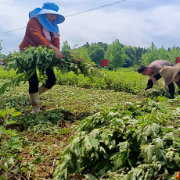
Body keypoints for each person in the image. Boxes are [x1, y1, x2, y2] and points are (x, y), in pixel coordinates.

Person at [19, 2, 65, 114]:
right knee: (33, 80)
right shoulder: (33, 22)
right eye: (50, 14)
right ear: (43, 14)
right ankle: (35, 107)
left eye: (54, 15)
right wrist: (54, 49)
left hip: (44, 54)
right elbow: (38, 37)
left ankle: (35, 95)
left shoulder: (54, 27)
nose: (52, 17)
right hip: (28, 53)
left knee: (51, 80)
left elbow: (56, 42)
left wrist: (57, 54)